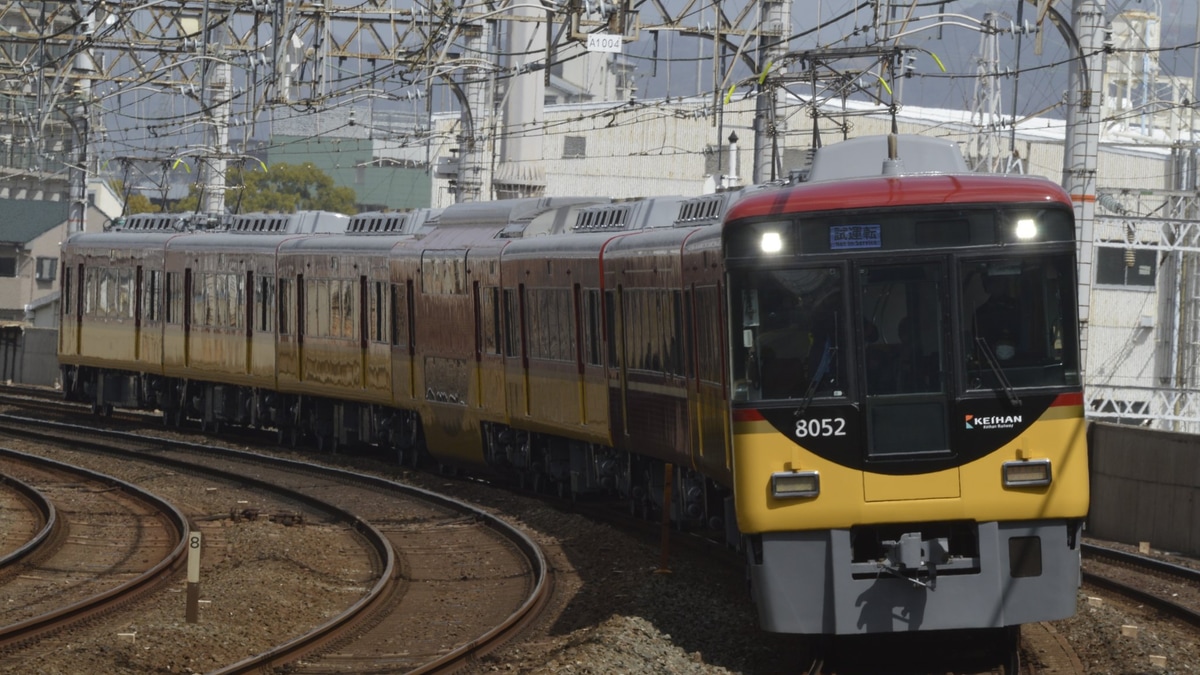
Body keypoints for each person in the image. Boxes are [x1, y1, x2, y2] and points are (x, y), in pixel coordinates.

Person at [974, 274, 1019, 362]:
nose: (997, 286)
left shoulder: (1019, 308)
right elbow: (980, 347)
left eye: (1000, 281)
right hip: (989, 366)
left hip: (1024, 363)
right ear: (987, 286)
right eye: (994, 282)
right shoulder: (981, 314)